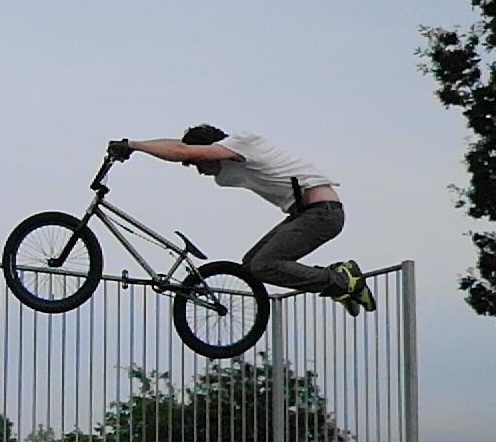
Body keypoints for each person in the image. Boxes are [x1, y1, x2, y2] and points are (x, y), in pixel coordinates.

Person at [108, 125, 374, 315]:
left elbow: (179, 150)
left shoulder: (243, 142)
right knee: (251, 265)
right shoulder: (227, 174)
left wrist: (133, 145)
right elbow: (181, 151)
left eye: (197, 163)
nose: (200, 172)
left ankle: (343, 281)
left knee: (264, 265)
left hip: (323, 212)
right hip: (305, 213)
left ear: (207, 150)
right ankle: (339, 282)